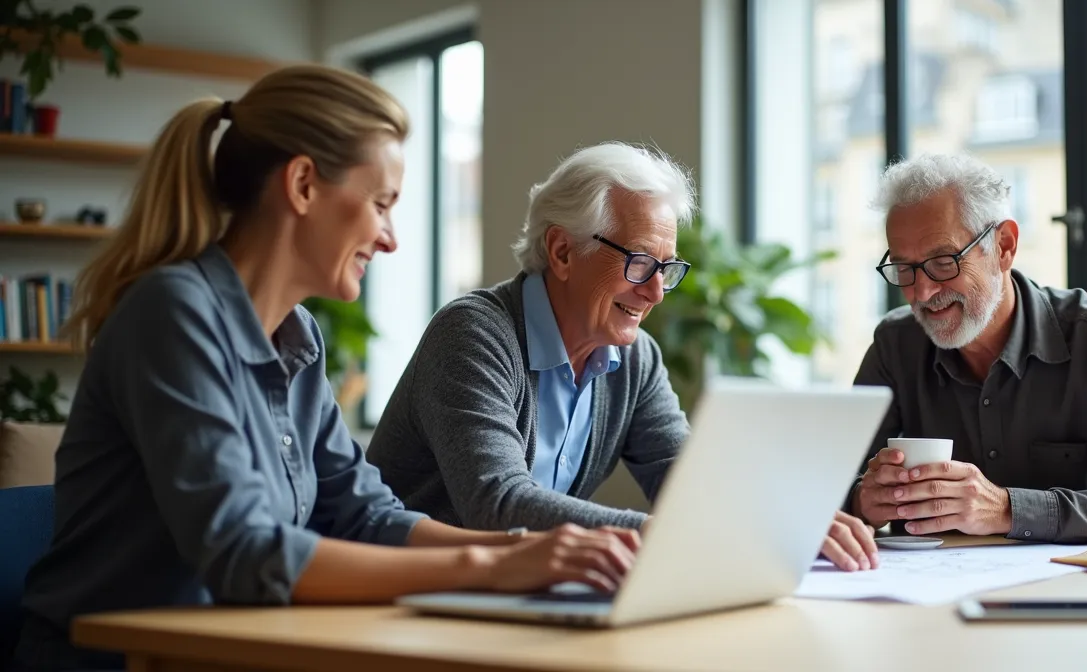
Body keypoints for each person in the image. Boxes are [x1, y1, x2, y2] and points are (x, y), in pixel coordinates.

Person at [9, 65, 638, 672]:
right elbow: (245, 552)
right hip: (112, 661)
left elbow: (365, 516)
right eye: (381, 204)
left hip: (232, 652)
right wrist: (494, 567)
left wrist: (532, 551)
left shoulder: (297, 334)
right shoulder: (174, 315)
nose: (390, 238)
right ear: (303, 185)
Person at [365, 141, 879, 572]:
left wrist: (781, 522)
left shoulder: (635, 359)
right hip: (403, 600)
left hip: (515, 597)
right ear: (562, 252)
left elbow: (685, 481)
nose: (655, 292)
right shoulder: (473, 334)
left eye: (666, 268)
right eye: (638, 262)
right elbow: (497, 503)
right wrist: (665, 535)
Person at [849, 153, 1087, 544]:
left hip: (1070, 581)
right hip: (921, 580)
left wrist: (1007, 509)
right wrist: (863, 502)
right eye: (904, 269)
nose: (922, 292)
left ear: (1004, 246)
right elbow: (826, 487)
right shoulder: (895, 345)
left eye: (943, 262)